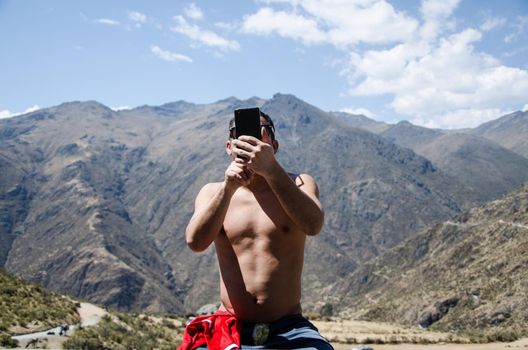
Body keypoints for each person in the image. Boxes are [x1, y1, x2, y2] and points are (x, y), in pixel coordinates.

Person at [179, 110, 333, 350]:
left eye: (264, 134)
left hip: (289, 327)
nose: (253, 141)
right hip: (230, 327)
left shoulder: (300, 183)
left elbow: (313, 225)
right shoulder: (212, 192)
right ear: (229, 146)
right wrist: (229, 188)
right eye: (239, 135)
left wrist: (271, 170)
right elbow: (195, 243)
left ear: (274, 145)